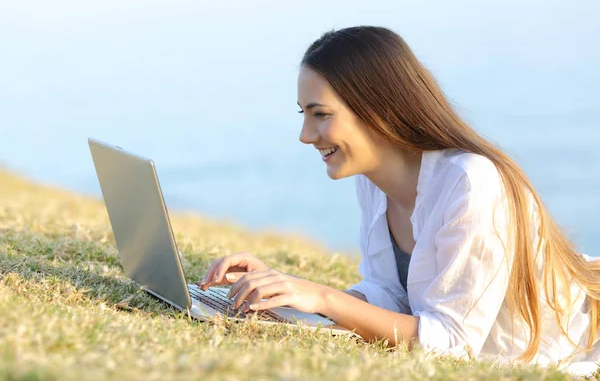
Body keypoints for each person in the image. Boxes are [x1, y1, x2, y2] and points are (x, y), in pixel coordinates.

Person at [196, 26, 600, 374]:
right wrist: (287, 293)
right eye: (303, 113)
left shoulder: (471, 183)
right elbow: (392, 297)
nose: (305, 134)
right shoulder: (372, 179)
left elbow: (451, 344)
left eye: (320, 114)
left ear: (378, 109)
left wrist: (322, 297)